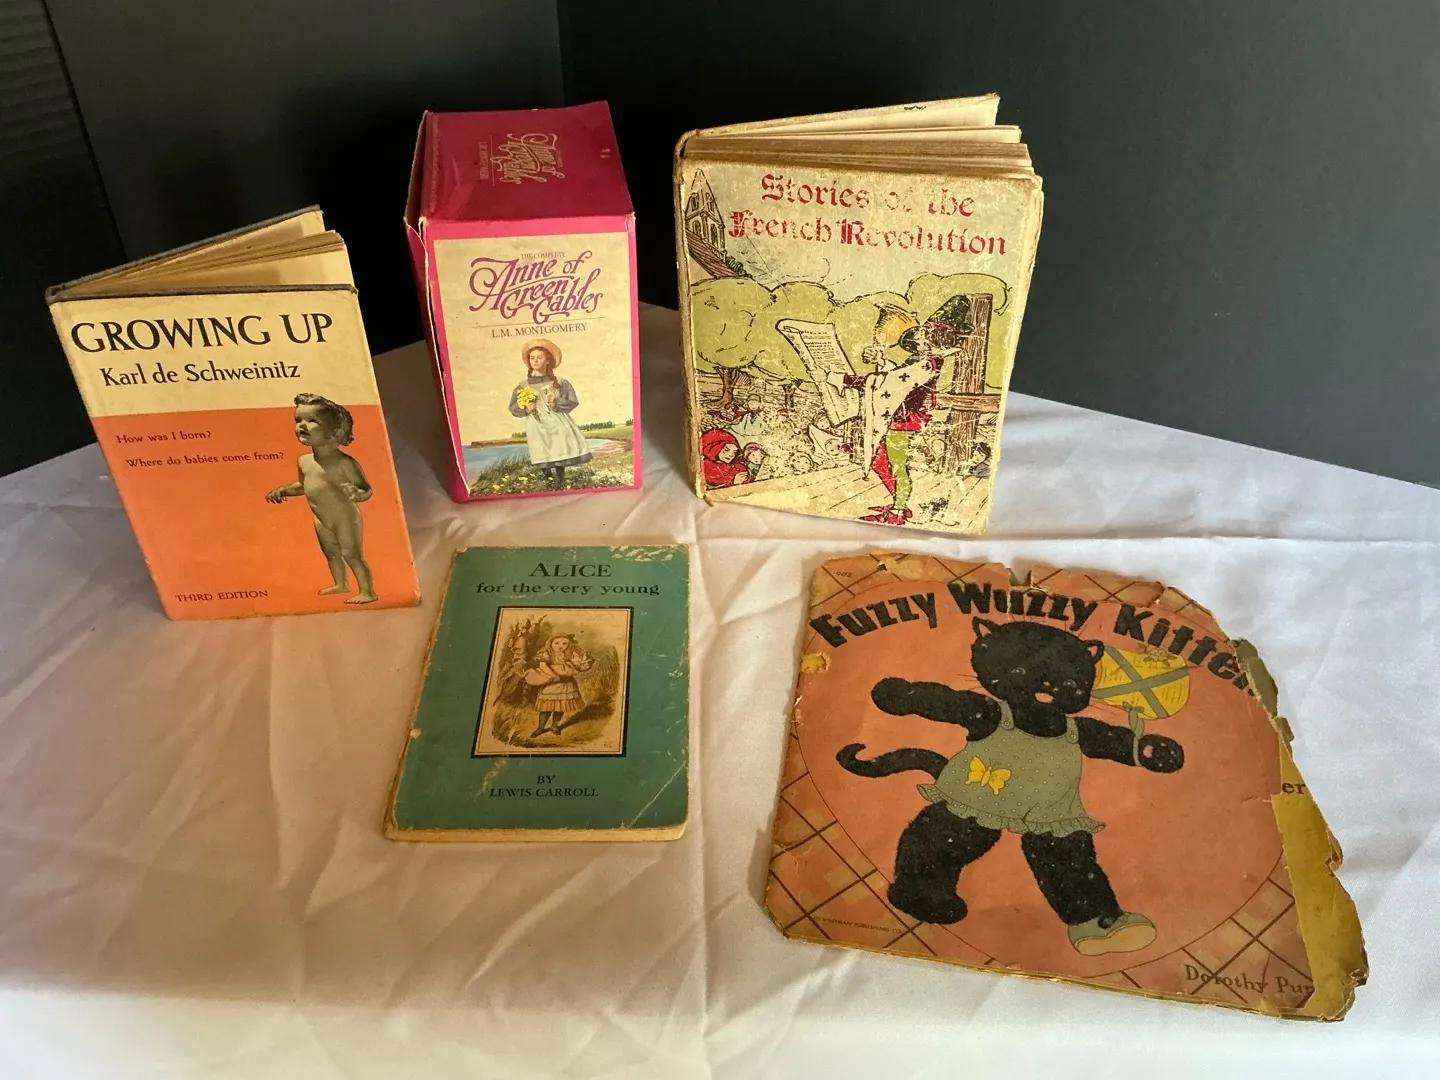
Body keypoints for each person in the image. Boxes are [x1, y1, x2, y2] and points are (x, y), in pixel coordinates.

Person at [843, 294, 974, 525]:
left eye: (923, 335)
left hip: (904, 419)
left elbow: (890, 383)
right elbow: (896, 376)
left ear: (935, 339)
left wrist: (842, 379)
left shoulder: (928, 363)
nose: (918, 338)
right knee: (880, 460)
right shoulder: (920, 359)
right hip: (898, 414)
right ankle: (899, 501)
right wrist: (881, 360)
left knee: (897, 466)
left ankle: (899, 511)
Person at [265, 392, 377, 603]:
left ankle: (367, 591)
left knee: (351, 554)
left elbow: (366, 488)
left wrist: (358, 494)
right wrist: (284, 490)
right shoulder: (304, 461)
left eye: (312, 420)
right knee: (331, 552)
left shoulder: (344, 463)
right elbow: (304, 485)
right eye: (298, 419)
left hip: (345, 518)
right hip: (321, 518)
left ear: (335, 433)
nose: (302, 425)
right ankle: (341, 584)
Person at [508, 340, 592, 488]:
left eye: (539, 357)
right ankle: (548, 481)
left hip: (557, 420)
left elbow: (572, 401)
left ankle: (560, 480)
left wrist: (555, 402)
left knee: (559, 448)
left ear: (547, 360)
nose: (535, 361)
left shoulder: (560, 382)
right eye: (532, 358)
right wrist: (527, 409)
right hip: (536, 423)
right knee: (541, 449)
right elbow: (513, 407)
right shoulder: (523, 385)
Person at [522, 635, 594, 737]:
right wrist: (554, 675)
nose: (560, 646)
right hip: (552, 683)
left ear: (569, 644)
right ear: (550, 643)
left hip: (566, 684)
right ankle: (540, 728)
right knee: (546, 707)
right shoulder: (547, 654)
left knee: (560, 707)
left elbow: (579, 666)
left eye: (564, 643)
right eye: (557, 643)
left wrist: (586, 661)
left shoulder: (570, 654)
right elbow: (543, 666)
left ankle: (554, 726)